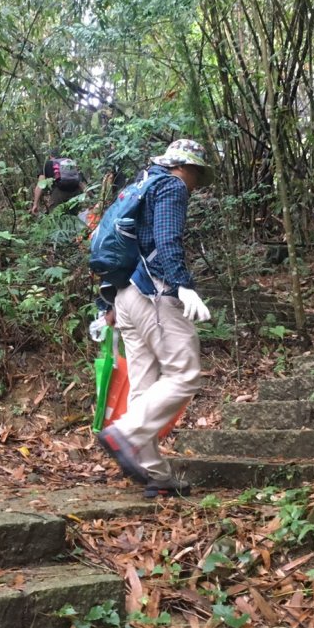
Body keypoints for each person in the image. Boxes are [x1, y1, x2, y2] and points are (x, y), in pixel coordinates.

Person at [96, 139, 213, 499]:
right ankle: (126, 434)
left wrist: (106, 306)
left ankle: (154, 472)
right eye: (197, 175)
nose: (195, 184)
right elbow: (166, 238)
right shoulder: (171, 185)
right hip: (155, 293)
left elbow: (115, 246)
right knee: (184, 372)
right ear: (186, 167)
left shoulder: (140, 184)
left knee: (144, 386)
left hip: (125, 297)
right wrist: (182, 284)